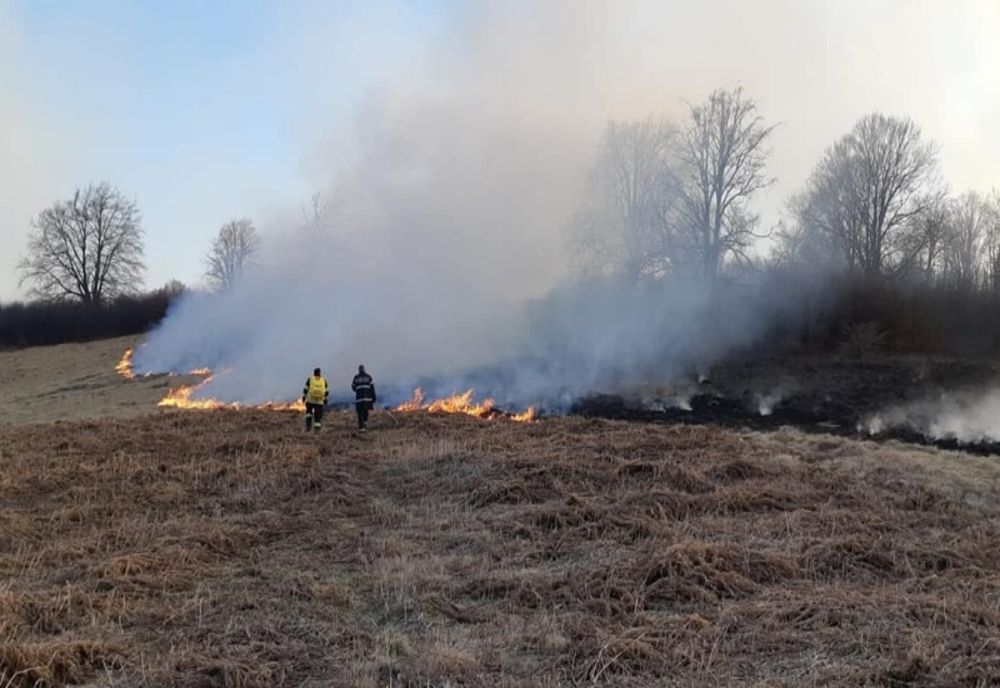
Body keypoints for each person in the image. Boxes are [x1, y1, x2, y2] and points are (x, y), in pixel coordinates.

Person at [302, 367, 329, 432]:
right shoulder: (323, 380)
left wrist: (304, 397)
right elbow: (327, 391)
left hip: (310, 400)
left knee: (308, 413)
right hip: (319, 401)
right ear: (320, 373)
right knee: (318, 416)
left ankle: (308, 427)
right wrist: (325, 399)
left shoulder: (310, 379)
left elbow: (305, 389)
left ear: (314, 373)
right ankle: (317, 430)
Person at [351, 365, 376, 432]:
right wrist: (374, 398)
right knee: (365, 411)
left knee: (360, 413)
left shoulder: (356, 378)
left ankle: (361, 428)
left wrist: (358, 390)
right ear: (364, 369)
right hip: (367, 399)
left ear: (359, 370)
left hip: (359, 399)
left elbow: (353, 387)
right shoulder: (369, 377)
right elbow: (372, 388)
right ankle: (365, 423)